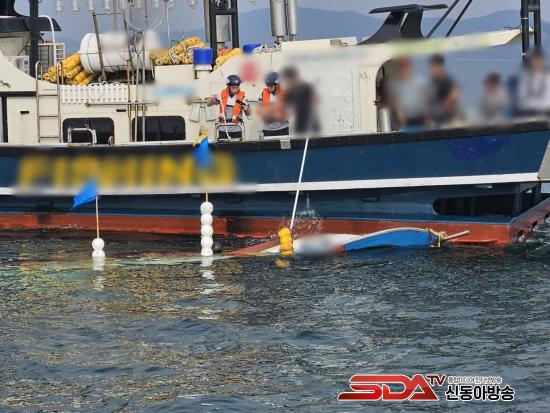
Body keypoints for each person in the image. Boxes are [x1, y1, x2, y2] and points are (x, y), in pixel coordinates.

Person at [386, 58, 426, 130]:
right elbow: (396, 104)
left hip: (420, 118)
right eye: (401, 68)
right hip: (404, 120)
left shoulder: (419, 81)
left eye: (405, 68)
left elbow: (424, 101)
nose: (404, 71)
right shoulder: (395, 85)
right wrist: (400, 116)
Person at [207, 75, 251, 140]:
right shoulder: (221, 96)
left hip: (237, 128)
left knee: (237, 146)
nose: (235, 89)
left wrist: (246, 109)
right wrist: (212, 99)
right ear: (228, 86)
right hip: (223, 128)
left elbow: (248, 114)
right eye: (233, 87)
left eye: (237, 87)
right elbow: (208, 104)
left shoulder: (242, 98)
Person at [281, 66, 320, 135]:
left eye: (289, 79)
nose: (288, 82)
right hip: (299, 126)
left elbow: (317, 100)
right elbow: (287, 110)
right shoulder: (289, 93)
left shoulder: (306, 88)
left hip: (311, 124)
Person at [425, 54, 461, 128]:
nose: (432, 69)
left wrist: (447, 102)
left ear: (440, 66)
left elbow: (456, 90)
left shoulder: (447, 79)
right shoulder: (432, 82)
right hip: (436, 121)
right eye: (431, 67)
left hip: (448, 121)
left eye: (435, 67)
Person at [517, 48, 550, 117]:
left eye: (539, 61)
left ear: (543, 61)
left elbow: (547, 103)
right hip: (528, 116)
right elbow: (521, 101)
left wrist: (530, 102)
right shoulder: (525, 78)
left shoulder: (547, 77)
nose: (536, 63)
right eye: (534, 60)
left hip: (545, 116)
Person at [257, 72, 289, 137]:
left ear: (277, 85)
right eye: (267, 85)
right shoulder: (263, 94)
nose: (268, 88)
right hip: (268, 129)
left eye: (271, 86)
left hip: (282, 128)